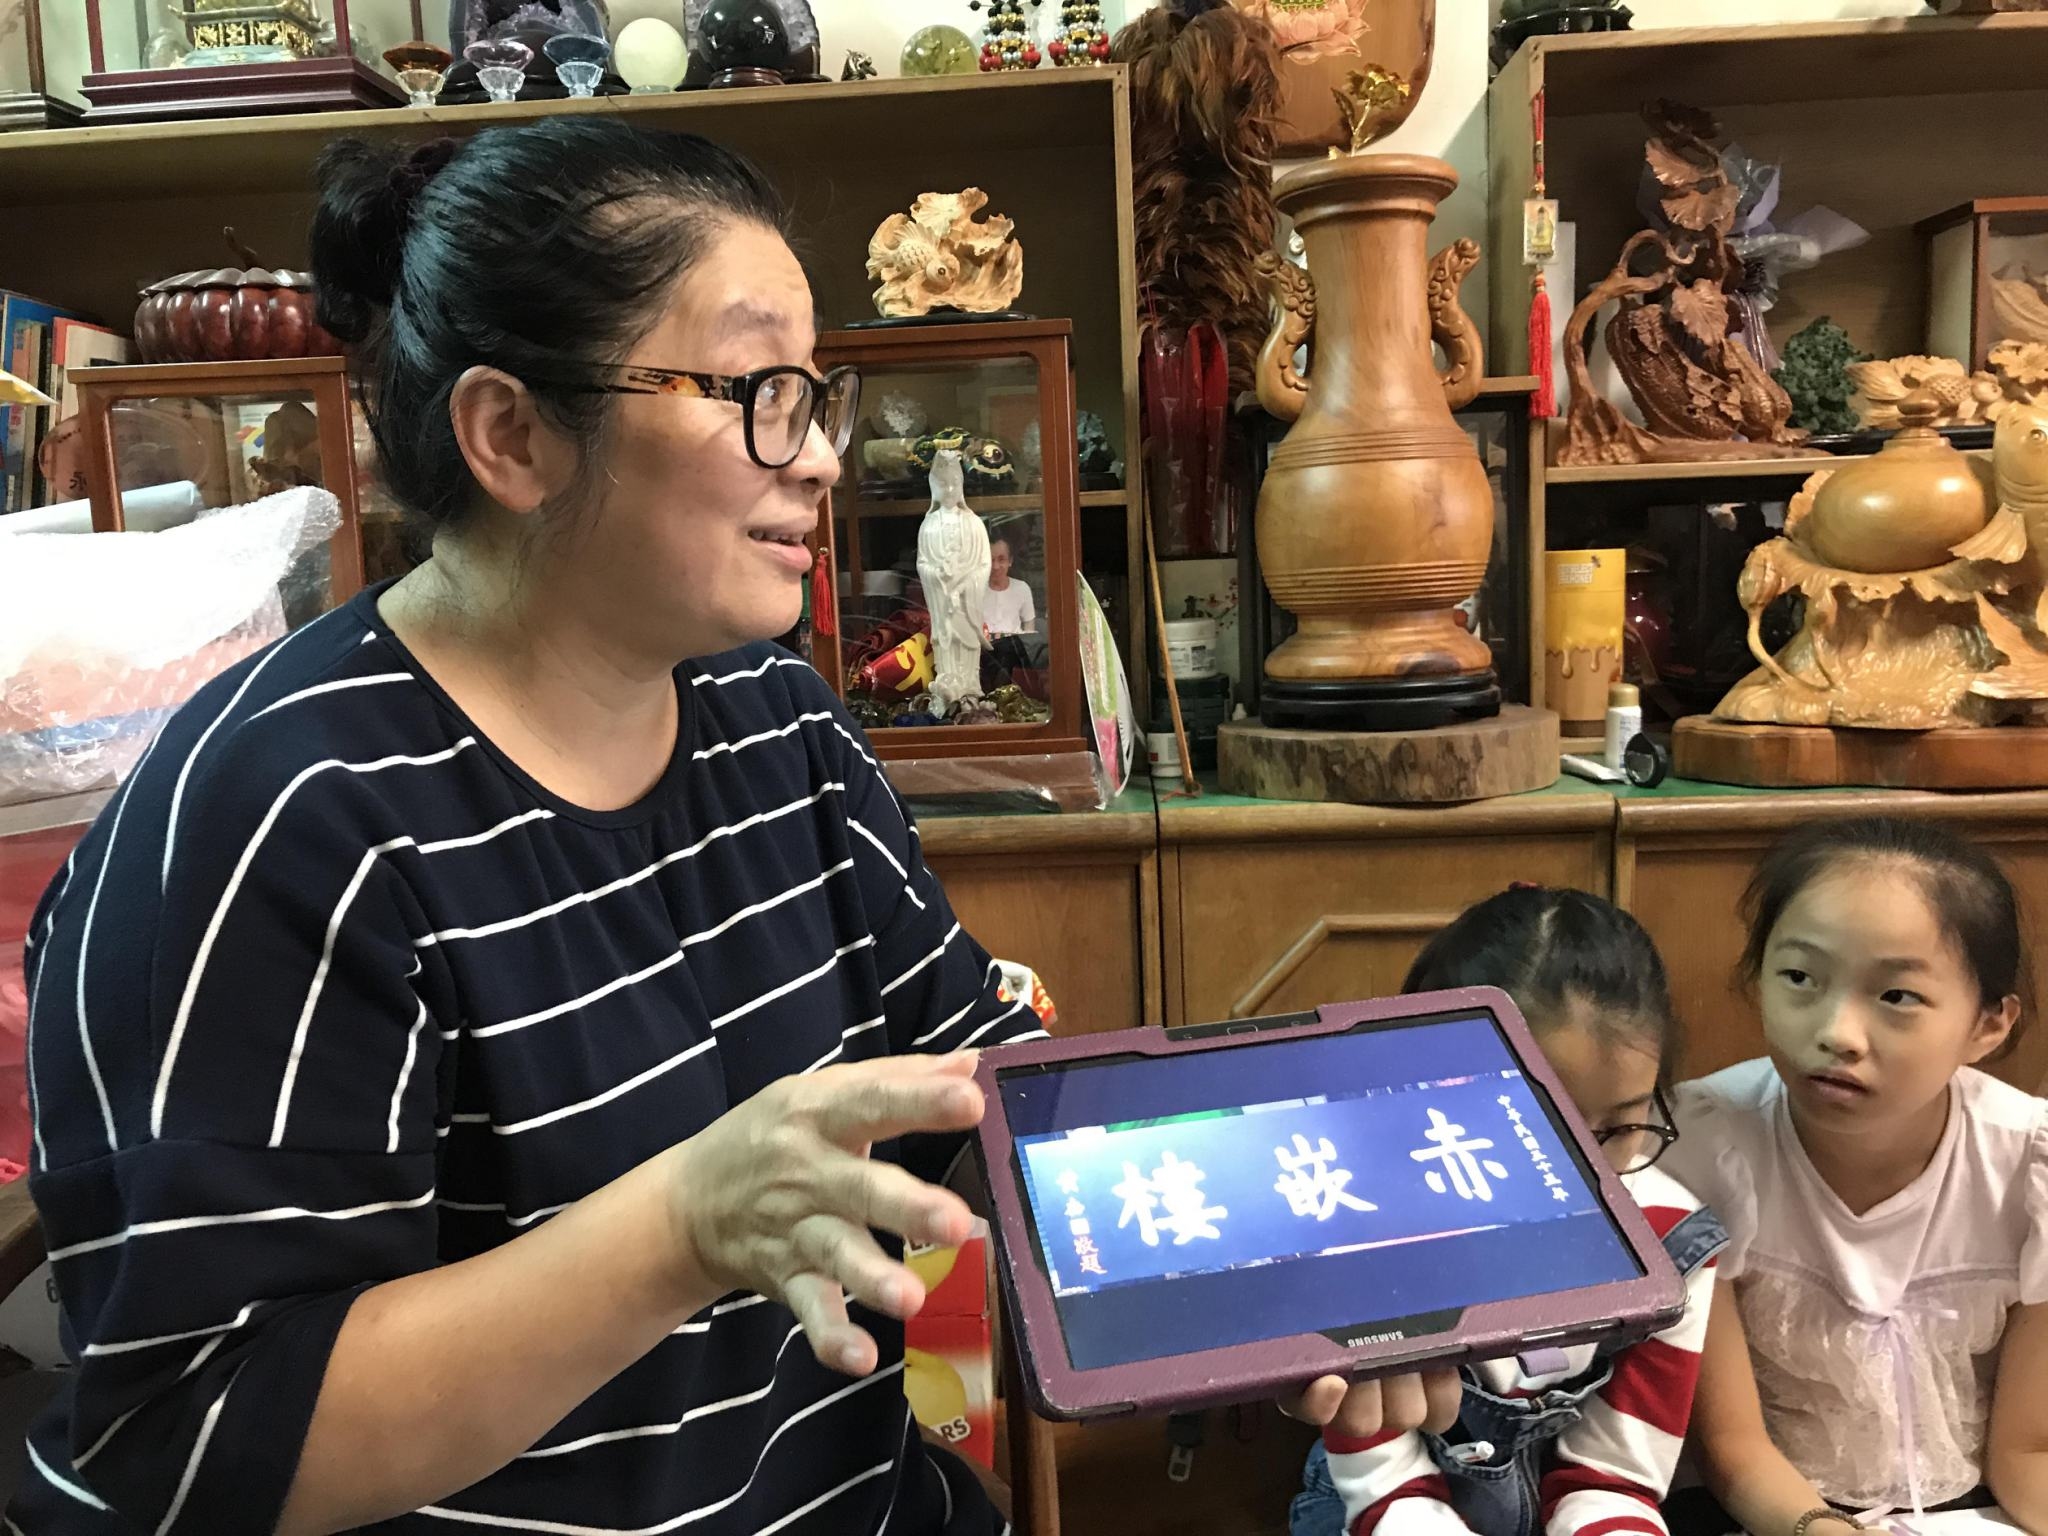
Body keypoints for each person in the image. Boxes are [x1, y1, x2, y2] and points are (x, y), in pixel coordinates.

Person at [11, 117, 1441, 1536]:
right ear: (512, 435)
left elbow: (973, 1106)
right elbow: (188, 1445)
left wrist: (1301, 1261)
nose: (819, 458)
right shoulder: (278, 817)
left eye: (815, 397)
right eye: (757, 391)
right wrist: (681, 1227)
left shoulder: (775, 722)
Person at [1293, 886, 1724, 1536]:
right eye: (1537, 1130)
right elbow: (1384, 1485)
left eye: (1620, 1128)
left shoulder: (1670, 1242)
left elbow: (1615, 1480)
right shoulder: (1367, 1224)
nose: (1578, 1178)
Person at [1667, 818, 2048, 1536]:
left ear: (1988, 1025)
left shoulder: (2030, 1164)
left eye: (1897, 996)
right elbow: (1731, 1450)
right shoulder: (1702, 1147)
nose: (1836, 1033)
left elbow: (2027, 1451)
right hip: (1762, 1515)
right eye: (1800, 978)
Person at [981, 536, 1036, 636]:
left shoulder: (1022, 589)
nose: (996, 566)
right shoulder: (976, 590)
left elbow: (1029, 629)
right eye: (991, 560)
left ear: (1010, 561)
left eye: (1001, 559)